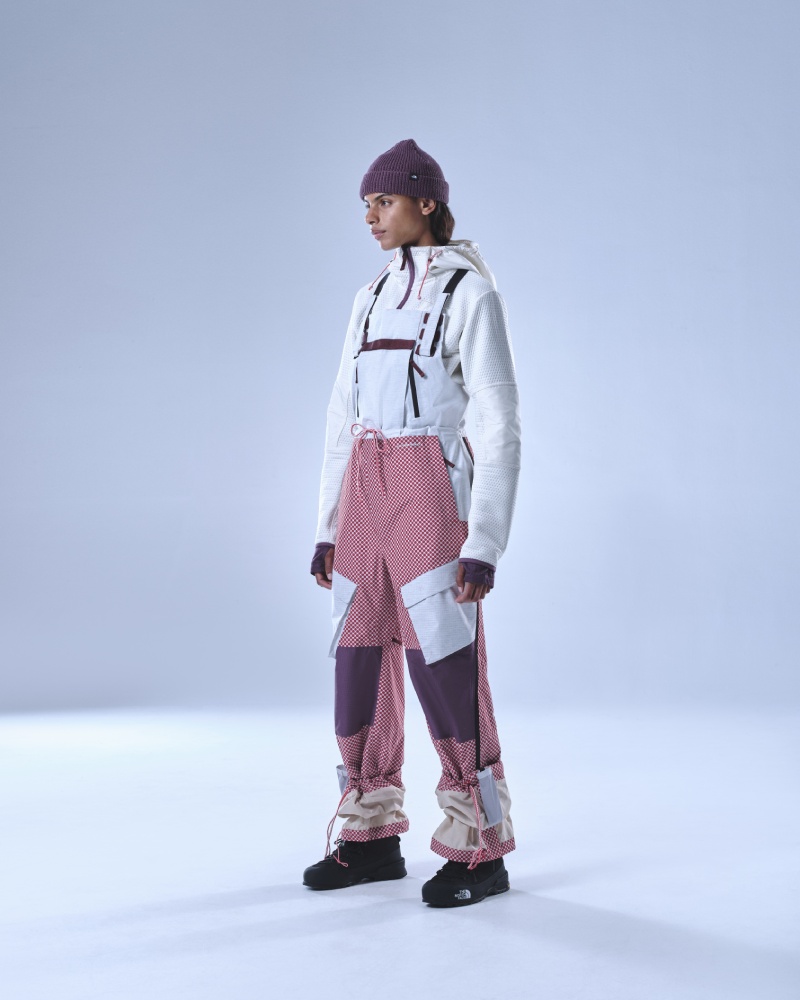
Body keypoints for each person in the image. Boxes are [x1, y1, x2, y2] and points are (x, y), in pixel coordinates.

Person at [303, 139, 522, 907]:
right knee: (358, 655)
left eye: (385, 201)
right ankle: (370, 835)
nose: (371, 216)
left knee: (444, 664)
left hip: (430, 483)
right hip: (365, 483)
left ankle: (481, 849)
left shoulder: (469, 294)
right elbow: (341, 414)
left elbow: (499, 422)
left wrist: (485, 541)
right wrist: (328, 524)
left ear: (427, 202)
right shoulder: (367, 297)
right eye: (365, 204)